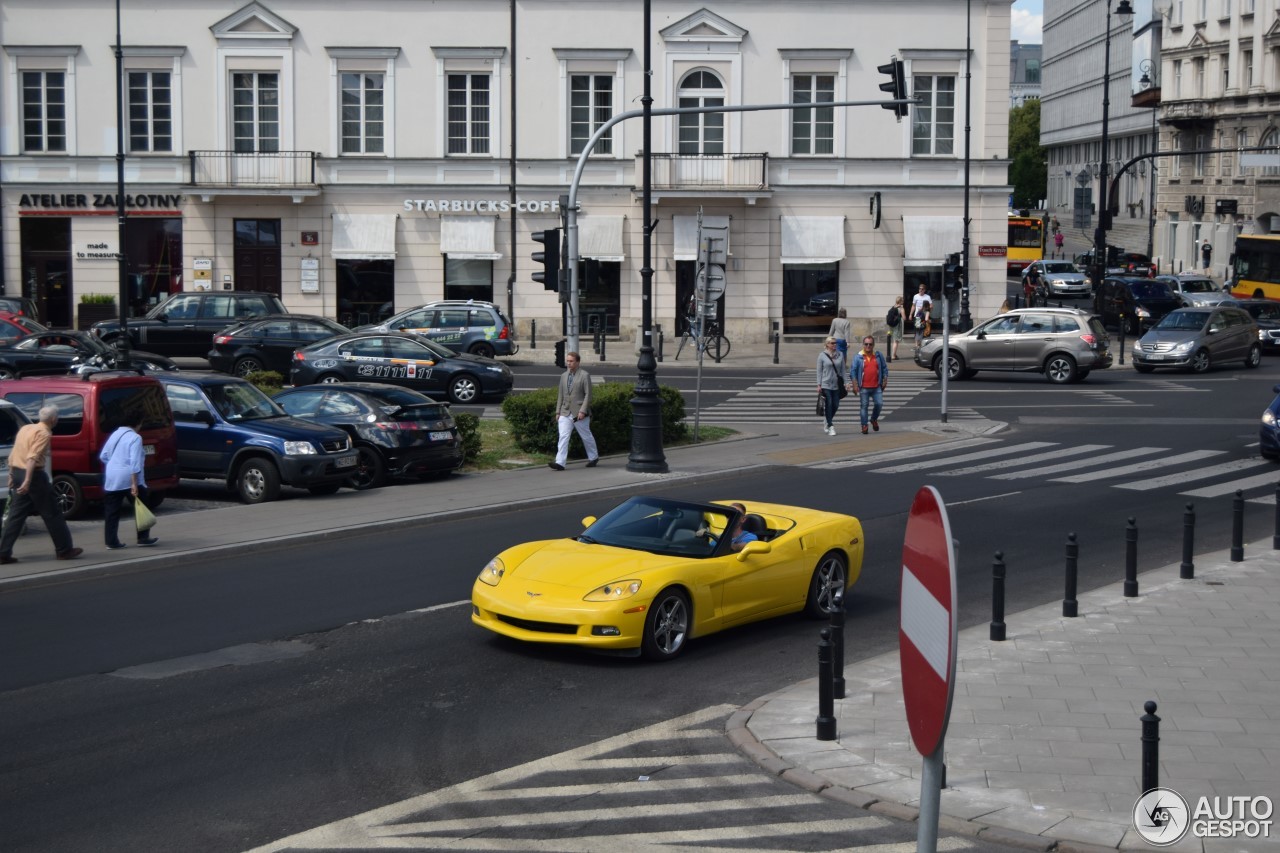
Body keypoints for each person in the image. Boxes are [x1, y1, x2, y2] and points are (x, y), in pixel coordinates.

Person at [0, 405, 82, 563]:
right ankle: (64, 550)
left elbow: (15, 452)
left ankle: (3, 552)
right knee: (52, 513)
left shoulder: (25, 429)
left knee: (16, 515)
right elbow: (32, 457)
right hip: (33, 476)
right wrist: (27, 480)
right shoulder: (44, 433)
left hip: (17, 471)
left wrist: (12, 474)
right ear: (53, 420)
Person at [100, 414, 159, 550]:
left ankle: (111, 541)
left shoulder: (115, 434)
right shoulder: (135, 437)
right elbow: (135, 462)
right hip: (128, 477)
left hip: (111, 477)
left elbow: (104, 455)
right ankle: (143, 538)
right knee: (142, 506)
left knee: (111, 511)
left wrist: (114, 465)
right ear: (137, 424)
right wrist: (134, 483)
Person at [548, 350, 599, 471]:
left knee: (586, 436)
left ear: (577, 362)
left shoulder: (584, 375)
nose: (568, 363)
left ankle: (594, 457)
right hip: (565, 412)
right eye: (567, 361)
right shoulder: (564, 376)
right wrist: (557, 412)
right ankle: (560, 463)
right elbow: (560, 394)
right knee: (563, 436)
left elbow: (588, 395)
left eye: (571, 361)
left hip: (579, 413)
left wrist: (583, 410)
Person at [850, 335, 888, 435]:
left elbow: (884, 368)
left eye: (870, 344)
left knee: (879, 404)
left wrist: (885, 379)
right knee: (864, 406)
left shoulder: (878, 355)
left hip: (876, 386)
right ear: (863, 344)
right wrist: (854, 384)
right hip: (864, 387)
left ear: (873, 345)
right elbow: (853, 371)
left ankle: (873, 419)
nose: (868, 346)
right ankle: (864, 425)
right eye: (866, 344)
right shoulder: (858, 357)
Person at [816, 336, 847, 436]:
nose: (835, 345)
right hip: (826, 384)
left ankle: (827, 420)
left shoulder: (840, 354)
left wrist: (846, 383)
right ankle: (830, 426)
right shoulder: (822, 355)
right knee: (829, 404)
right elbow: (819, 371)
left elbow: (843, 370)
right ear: (827, 344)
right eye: (832, 343)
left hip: (837, 384)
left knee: (836, 405)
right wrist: (819, 384)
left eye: (835, 343)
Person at [911, 283, 932, 352]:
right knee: (917, 330)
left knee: (923, 331)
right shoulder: (915, 296)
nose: (920, 290)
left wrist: (927, 309)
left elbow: (931, 306)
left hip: (924, 315)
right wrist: (910, 314)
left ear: (924, 290)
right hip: (917, 316)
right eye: (919, 288)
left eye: (922, 289)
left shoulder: (927, 297)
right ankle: (917, 346)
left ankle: (920, 346)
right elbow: (913, 306)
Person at [888, 296, 905, 361]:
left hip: (892, 326)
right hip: (897, 326)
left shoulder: (893, 307)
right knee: (896, 341)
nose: (903, 301)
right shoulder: (901, 308)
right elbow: (904, 318)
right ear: (900, 301)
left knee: (894, 340)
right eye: (902, 300)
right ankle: (893, 355)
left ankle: (894, 354)